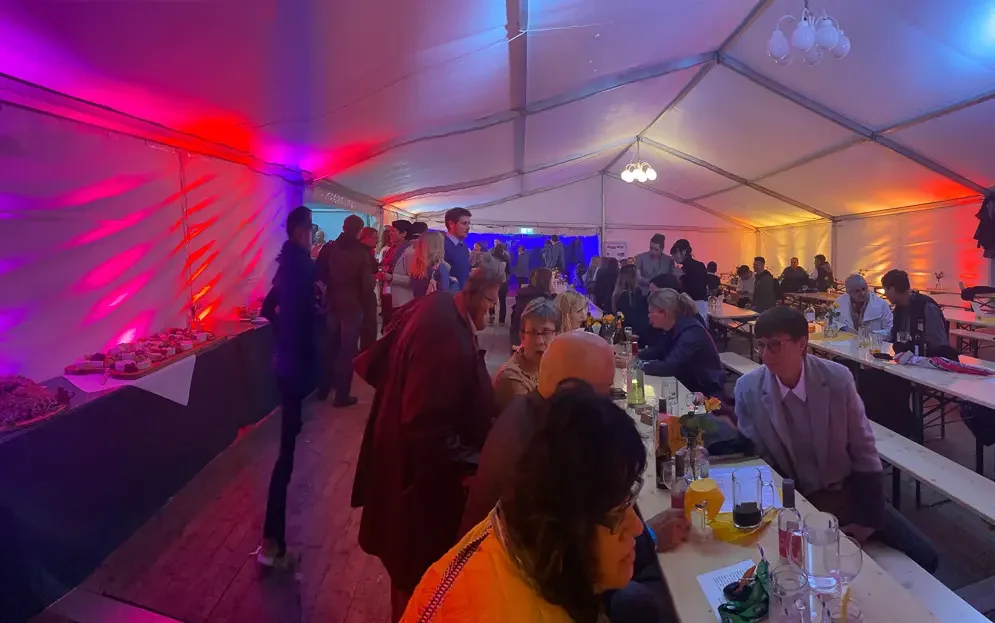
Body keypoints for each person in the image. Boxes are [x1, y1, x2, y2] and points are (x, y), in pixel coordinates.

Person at [735, 306, 938, 573]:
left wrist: (868, 519)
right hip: (796, 501)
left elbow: (864, 448)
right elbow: (761, 462)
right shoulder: (748, 390)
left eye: (774, 345)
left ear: (802, 344)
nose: (764, 355)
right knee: (817, 570)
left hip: (847, 491)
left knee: (926, 556)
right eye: (760, 345)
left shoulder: (836, 379)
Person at [351, 266, 503, 619]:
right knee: (415, 584)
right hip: (416, 487)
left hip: (401, 470)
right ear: (476, 294)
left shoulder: (439, 306)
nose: (493, 310)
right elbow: (425, 426)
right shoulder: (445, 337)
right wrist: (474, 466)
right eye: (492, 301)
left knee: (408, 579)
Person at [257, 206, 317, 568]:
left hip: (285, 364)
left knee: (287, 453)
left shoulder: (287, 266)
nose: (314, 235)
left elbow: (269, 308)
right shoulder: (303, 268)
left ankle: (272, 542)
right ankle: (272, 545)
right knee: (286, 458)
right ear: (300, 232)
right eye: (311, 229)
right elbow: (304, 319)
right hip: (294, 367)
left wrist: (283, 339)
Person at [318, 214, 377, 407]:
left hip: (332, 301)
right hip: (353, 305)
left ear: (343, 227)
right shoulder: (361, 252)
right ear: (359, 231)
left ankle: (323, 389)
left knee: (330, 346)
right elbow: (366, 285)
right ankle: (342, 395)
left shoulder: (330, 247)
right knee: (347, 350)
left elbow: (319, 272)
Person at [630, 289, 726, 397]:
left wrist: (636, 365)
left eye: (651, 312)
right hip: (688, 384)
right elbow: (658, 350)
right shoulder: (675, 326)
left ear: (664, 313)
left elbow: (669, 367)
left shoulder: (691, 333)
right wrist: (633, 356)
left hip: (706, 392)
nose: (648, 315)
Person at [494, 297, 559, 411]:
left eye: (546, 332)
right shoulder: (511, 378)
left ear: (557, 335)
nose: (539, 341)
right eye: (532, 332)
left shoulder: (552, 366)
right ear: (522, 337)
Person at [881, 269, 954, 358]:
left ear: (892, 289)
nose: (885, 294)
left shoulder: (926, 306)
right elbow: (896, 336)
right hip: (904, 360)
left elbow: (939, 344)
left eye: (885, 290)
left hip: (926, 362)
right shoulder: (899, 309)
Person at [379, 220, 412, 329]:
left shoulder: (409, 251)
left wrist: (392, 277)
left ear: (404, 233)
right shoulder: (391, 249)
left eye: (393, 231)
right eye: (390, 231)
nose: (390, 233)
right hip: (387, 293)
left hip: (401, 299)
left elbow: (412, 280)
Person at [510, 268, 555, 347]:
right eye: (552, 281)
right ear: (546, 282)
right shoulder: (541, 302)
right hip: (531, 342)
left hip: (517, 337)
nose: (554, 284)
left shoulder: (526, 295)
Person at [670, 239, 709, 321]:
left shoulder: (687, 269)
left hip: (695, 303)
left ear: (683, 252)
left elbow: (692, 289)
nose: (674, 258)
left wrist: (680, 277)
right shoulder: (699, 265)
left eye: (675, 254)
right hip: (701, 303)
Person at [613, 264, 650, 342]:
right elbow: (630, 316)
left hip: (628, 330)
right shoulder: (627, 295)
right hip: (632, 332)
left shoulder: (620, 293)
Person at [443, 207, 473, 289]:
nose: (468, 227)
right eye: (464, 223)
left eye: (469, 223)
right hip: (449, 295)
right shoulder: (441, 246)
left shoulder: (464, 247)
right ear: (451, 224)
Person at [489, 241, 512, 326]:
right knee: (502, 301)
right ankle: (501, 320)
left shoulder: (491, 258)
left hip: (493, 282)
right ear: (503, 250)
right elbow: (508, 271)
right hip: (503, 281)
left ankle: (492, 315)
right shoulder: (506, 259)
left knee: (491, 300)